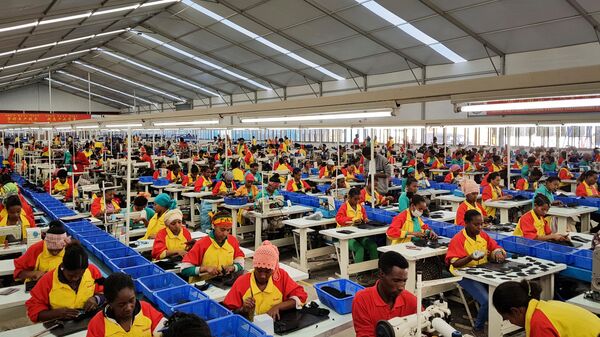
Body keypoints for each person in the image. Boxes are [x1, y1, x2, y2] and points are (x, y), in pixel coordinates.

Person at [446, 210, 507, 332]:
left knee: (503, 291)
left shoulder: (482, 235)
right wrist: (470, 257)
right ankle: (477, 329)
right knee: (487, 301)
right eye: (476, 224)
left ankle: (499, 322)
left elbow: (495, 246)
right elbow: (454, 263)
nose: (480, 227)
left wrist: (498, 252)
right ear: (466, 223)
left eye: (481, 224)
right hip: (463, 274)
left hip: (480, 271)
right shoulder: (458, 239)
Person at [223, 241, 307, 320]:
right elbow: (226, 312)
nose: (263, 276)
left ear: (274, 269)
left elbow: (301, 297)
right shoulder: (242, 282)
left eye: (268, 271)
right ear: (254, 267)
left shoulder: (280, 277)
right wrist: (243, 309)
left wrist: (278, 307)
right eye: (259, 270)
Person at [26, 241, 104, 323]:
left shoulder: (92, 271)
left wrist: (95, 299)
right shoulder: (48, 280)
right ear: (63, 266)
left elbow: (106, 293)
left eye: (80, 275)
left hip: (87, 323)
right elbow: (33, 311)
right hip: (59, 326)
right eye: (71, 275)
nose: (75, 279)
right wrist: (56, 313)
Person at [492, 280, 600, 337]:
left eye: (507, 318)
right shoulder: (546, 306)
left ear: (516, 311)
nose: (511, 322)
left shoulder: (539, 323)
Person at [351, 251, 417, 337]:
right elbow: (365, 334)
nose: (401, 287)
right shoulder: (362, 300)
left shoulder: (411, 300)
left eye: (404, 281)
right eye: (396, 281)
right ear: (381, 274)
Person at [87, 273, 166, 337]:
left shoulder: (146, 310)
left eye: (132, 300)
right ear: (109, 303)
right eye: (121, 304)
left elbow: (165, 330)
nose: (128, 308)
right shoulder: (97, 325)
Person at [180, 212, 245, 282]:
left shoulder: (232, 241)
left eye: (228, 230)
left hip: (223, 282)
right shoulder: (202, 244)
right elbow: (184, 269)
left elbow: (241, 262)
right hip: (203, 285)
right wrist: (205, 269)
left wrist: (233, 267)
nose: (225, 234)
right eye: (222, 230)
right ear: (214, 226)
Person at [335, 188, 378, 263]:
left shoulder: (360, 207)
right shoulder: (344, 207)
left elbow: (365, 218)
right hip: (345, 235)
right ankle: (358, 273)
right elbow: (339, 219)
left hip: (358, 234)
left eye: (359, 199)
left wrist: (366, 221)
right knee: (359, 249)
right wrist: (353, 219)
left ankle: (375, 271)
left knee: (372, 246)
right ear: (349, 198)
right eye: (355, 199)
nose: (357, 201)